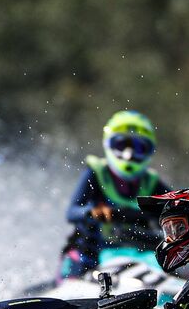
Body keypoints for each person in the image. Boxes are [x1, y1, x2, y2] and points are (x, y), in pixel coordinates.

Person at [58, 109, 173, 279]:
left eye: (139, 148)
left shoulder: (152, 183)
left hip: (142, 258)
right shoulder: (96, 174)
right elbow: (72, 212)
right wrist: (92, 212)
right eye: (121, 146)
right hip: (91, 256)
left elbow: (177, 212)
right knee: (75, 263)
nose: (128, 155)